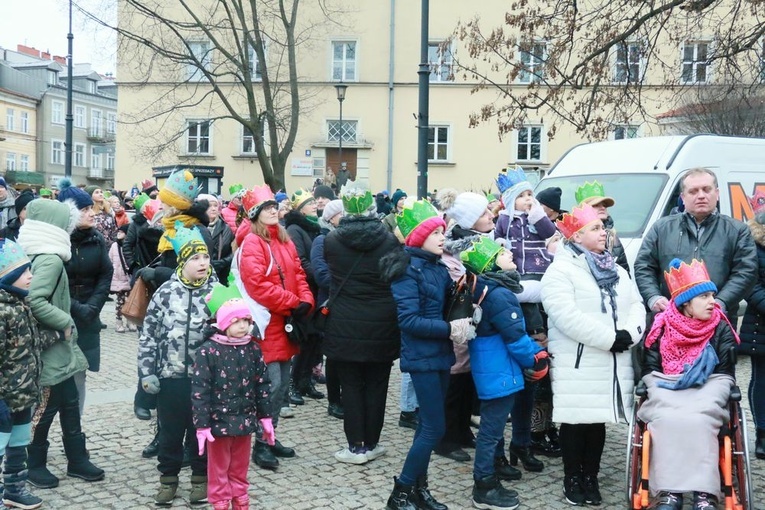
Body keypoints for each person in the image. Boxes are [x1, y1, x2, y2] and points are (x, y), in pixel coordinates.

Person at [541, 203, 646, 506]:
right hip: (580, 358)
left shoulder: (615, 268)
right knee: (576, 421)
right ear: (576, 237)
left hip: (612, 358)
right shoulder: (560, 271)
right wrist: (610, 338)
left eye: (603, 227)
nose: (604, 232)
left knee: (598, 420)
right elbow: (565, 315)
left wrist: (631, 333)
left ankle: (591, 476)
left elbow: (636, 303)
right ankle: (572, 477)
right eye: (596, 228)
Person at [383, 198, 475, 510]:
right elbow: (408, 321)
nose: (441, 237)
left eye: (441, 231)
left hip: (440, 354)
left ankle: (420, 491)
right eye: (435, 232)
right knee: (435, 427)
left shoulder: (436, 267)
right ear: (419, 237)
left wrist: (464, 290)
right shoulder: (407, 270)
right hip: (422, 356)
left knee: (426, 425)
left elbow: (444, 306)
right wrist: (449, 330)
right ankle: (400, 493)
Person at [18, 198, 104, 489]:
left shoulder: (38, 254)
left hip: (56, 346)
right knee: (47, 406)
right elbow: (35, 300)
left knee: (68, 402)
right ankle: (34, 463)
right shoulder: (51, 259)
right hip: (52, 345)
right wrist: (65, 321)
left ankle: (77, 459)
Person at [638, 258, 738, 510]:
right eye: (703, 296)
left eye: (712, 295)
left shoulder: (721, 326)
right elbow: (650, 367)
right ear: (686, 304)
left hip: (710, 382)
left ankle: (705, 494)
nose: (712, 302)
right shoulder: (660, 325)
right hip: (666, 382)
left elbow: (725, 370)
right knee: (667, 419)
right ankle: (670, 492)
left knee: (700, 419)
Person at [460, 236, 548, 510]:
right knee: (491, 430)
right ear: (490, 265)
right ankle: (483, 486)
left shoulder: (487, 289)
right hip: (499, 370)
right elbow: (515, 339)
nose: (509, 253)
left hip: (491, 367)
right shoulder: (499, 295)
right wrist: (537, 359)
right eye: (500, 253)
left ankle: (491, 473)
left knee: (492, 426)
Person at [137, 222, 217, 506]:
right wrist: (147, 373)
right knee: (169, 434)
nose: (202, 263)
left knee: (201, 434)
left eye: (205, 257)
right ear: (182, 262)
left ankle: (200, 480)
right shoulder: (165, 293)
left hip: (203, 380)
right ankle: (168, 480)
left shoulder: (217, 293)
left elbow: (232, 334)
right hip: (170, 378)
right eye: (195, 258)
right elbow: (149, 335)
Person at [321, 184, 400, 466]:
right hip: (382, 320)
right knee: (377, 384)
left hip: (344, 320)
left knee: (351, 385)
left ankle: (355, 446)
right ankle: (373, 443)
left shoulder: (332, 241)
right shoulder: (389, 240)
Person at [237, 185, 313, 470]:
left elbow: (299, 273)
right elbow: (258, 286)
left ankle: (269, 437)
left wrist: (306, 299)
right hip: (267, 325)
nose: (273, 210)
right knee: (270, 387)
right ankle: (260, 444)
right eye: (266, 207)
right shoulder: (253, 242)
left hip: (286, 324)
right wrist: (293, 303)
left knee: (280, 390)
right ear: (256, 213)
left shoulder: (284, 239)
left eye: (274, 206)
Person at [634, 168, 757, 323]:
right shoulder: (661, 228)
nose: (701, 196)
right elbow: (644, 266)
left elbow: (746, 272)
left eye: (706, 190)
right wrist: (653, 297)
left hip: (718, 322)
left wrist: (719, 302)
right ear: (683, 197)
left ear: (717, 193)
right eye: (693, 191)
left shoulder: (737, 230)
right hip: (670, 321)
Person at [192, 283, 273, 510]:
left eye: (246, 321)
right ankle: (220, 503)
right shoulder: (208, 351)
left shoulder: (252, 349)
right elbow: (200, 390)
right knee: (219, 470)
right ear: (224, 323)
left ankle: (241, 502)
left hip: (245, 422)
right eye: (236, 321)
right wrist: (202, 425)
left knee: (239, 468)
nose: (242, 326)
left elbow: (262, 384)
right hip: (219, 425)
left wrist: (265, 416)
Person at [434, 188, 495, 463]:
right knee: (454, 381)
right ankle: (445, 438)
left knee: (467, 380)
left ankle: (460, 431)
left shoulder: (480, 243)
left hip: (474, 325)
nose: (490, 215)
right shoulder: (451, 250)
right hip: (456, 325)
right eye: (483, 212)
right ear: (470, 220)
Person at [59, 181, 113, 417]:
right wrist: (76, 307)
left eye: (91, 208)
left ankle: (75, 428)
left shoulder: (96, 238)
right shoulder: (58, 240)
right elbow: (53, 281)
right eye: (84, 210)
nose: (92, 213)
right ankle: (38, 438)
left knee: (80, 373)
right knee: (54, 375)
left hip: (89, 315)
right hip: (61, 315)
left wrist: (92, 307)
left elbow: (105, 273)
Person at [0, 239, 44, 510]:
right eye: (23, 272)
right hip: (4, 400)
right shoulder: (3, 310)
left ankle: (14, 489)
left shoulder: (19, 303)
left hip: (23, 393)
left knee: (19, 444)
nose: (31, 276)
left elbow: (26, 344)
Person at [284, 189, 325, 402]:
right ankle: (293, 383)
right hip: (305, 289)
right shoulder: (294, 229)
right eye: (309, 203)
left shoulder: (314, 228)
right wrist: (319, 276)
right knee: (304, 339)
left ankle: (306, 380)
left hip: (316, 288)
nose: (314, 204)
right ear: (300, 209)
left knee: (315, 339)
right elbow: (299, 259)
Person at [310, 199, 345, 419]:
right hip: (331, 303)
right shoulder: (321, 240)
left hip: (348, 303)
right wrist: (345, 284)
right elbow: (320, 274)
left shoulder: (346, 239)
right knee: (333, 355)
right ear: (331, 217)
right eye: (342, 213)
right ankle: (334, 401)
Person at [741, 190, 765, 460]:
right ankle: (762, 432)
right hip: (761, 322)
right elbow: (751, 283)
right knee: (762, 381)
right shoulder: (754, 243)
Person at [575, 181, 629, 275]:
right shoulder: (573, 238)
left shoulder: (612, 238)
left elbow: (625, 274)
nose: (603, 208)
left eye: (604, 205)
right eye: (596, 205)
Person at [197, 194, 234, 284]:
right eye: (209, 205)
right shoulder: (194, 228)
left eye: (216, 205)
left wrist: (222, 262)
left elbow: (233, 251)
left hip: (220, 276)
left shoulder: (226, 228)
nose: (213, 209)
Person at [110, 224, 134, 333]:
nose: (119, 233)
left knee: (130, 301)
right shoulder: (114, 246)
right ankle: (119, 321)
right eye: (118, 231)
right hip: (118, 278)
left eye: (122, 231)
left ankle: (130, 321)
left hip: (129, 277)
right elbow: (110, 260)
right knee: (120, 301)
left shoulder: (131, 245)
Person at [88, 186, 118, 251]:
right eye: (97, 192)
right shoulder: (88, 214)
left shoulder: (107, 214)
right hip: (93, 248)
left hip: (109, 249)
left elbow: (114, 232)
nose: (100, 194)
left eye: (101, 192)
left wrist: (114, 246)